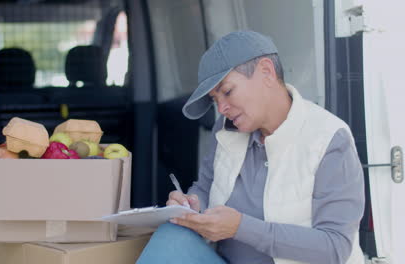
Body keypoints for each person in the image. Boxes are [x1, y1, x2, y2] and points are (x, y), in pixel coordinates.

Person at [137, 31, 365, 264]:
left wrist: (240, 228)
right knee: (171, 236)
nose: (222, 108)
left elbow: (335, 247)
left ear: (266, 71)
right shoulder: (225, 129)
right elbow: (205, 187)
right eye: (216, 101)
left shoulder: (329, 138)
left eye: (227, 92)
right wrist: (192, 204)